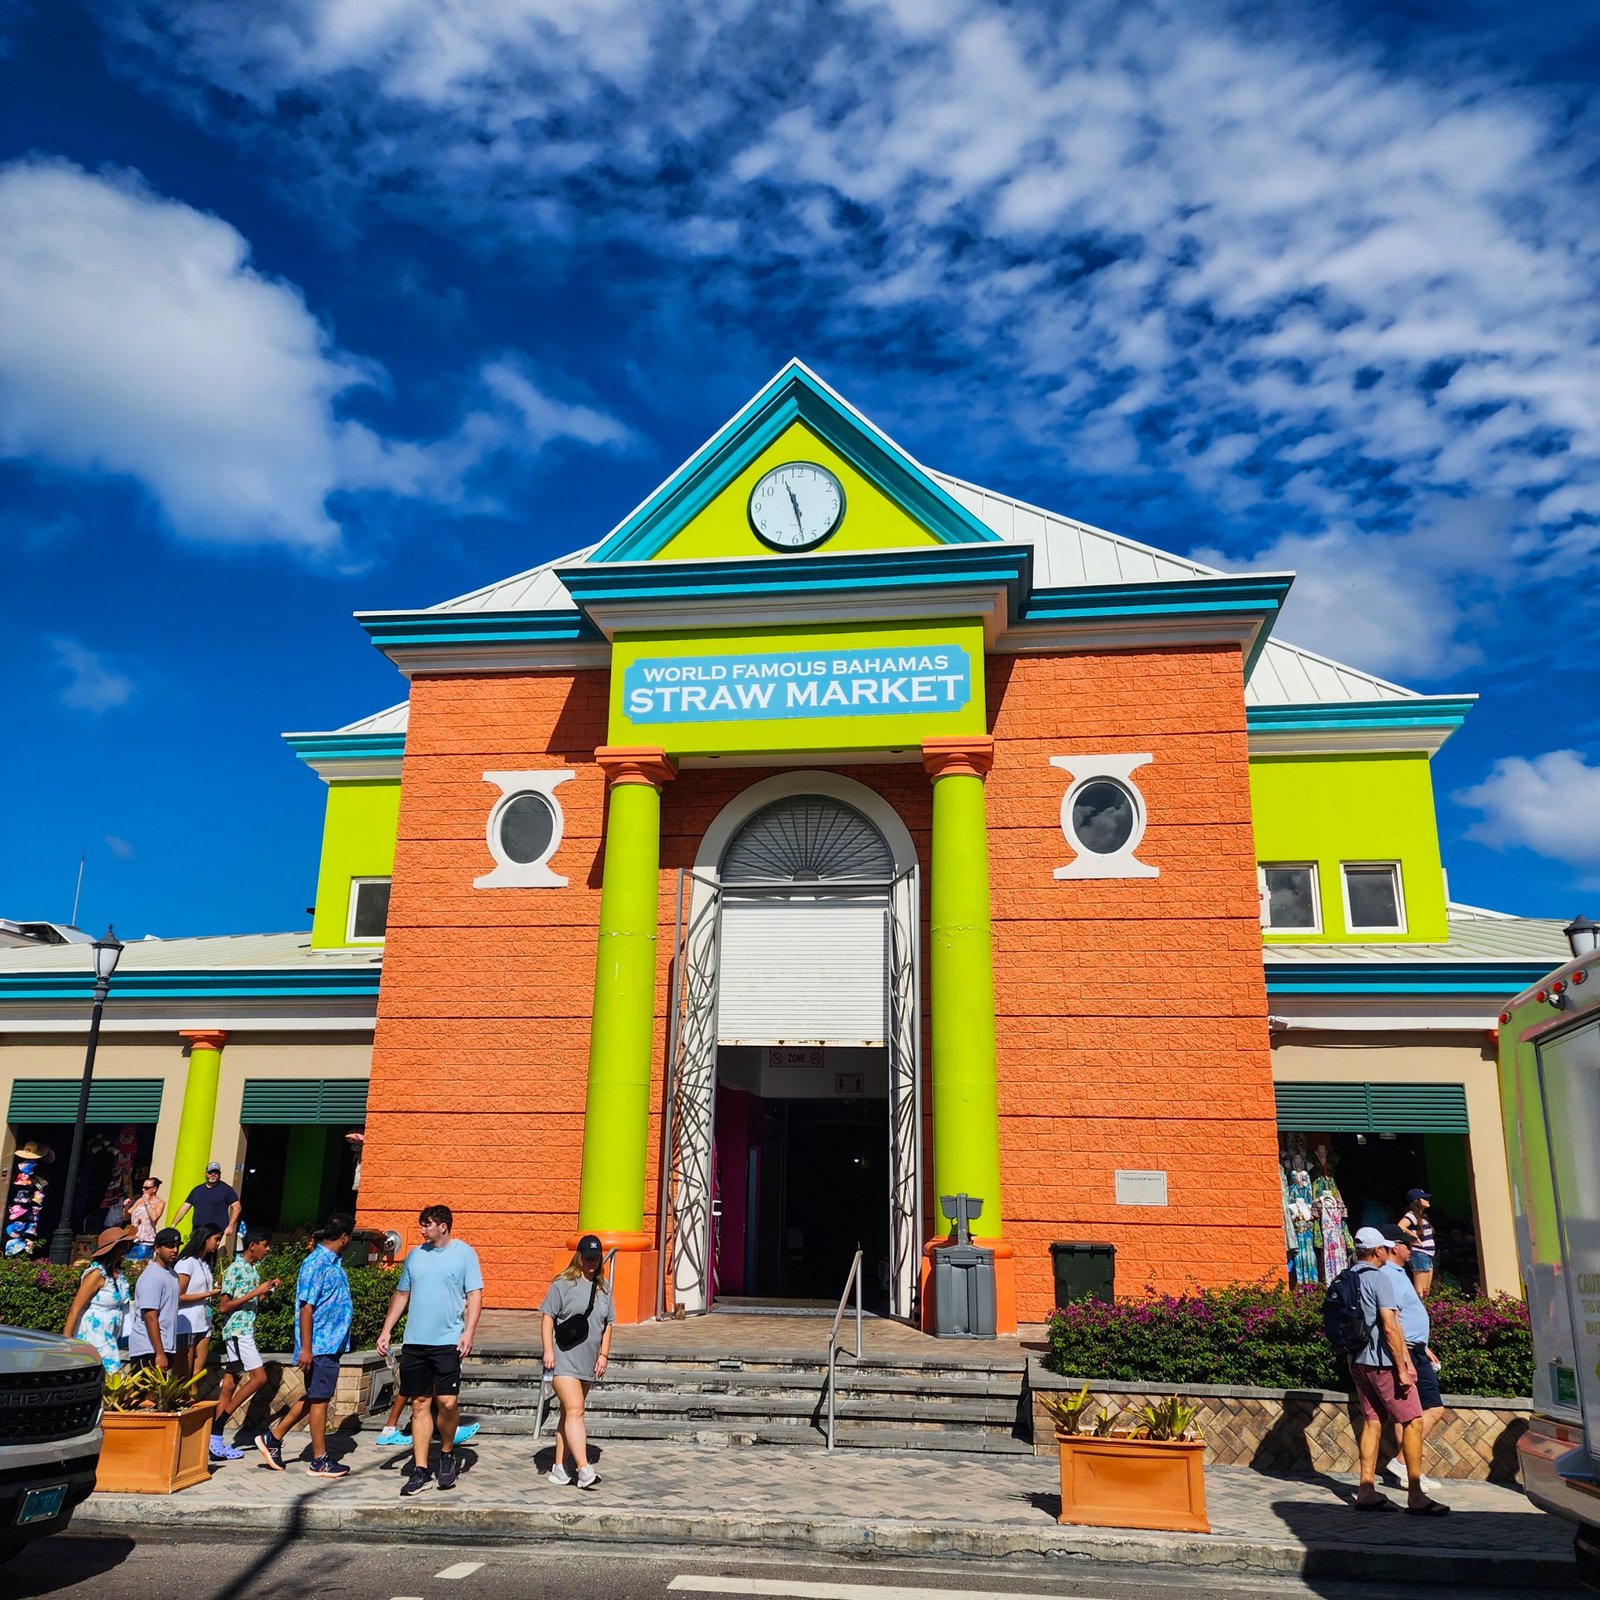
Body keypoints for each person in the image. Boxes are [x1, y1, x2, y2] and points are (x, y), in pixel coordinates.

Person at [376, 1204, 485, 1497]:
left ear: (443, 1226)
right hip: (415, 1342)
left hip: (448, 1341)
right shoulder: (415, 1256)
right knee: (419, 1404)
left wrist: (469, 1332)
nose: (422, 1230)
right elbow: (402, 1294)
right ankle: (421, 1469)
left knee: (447, 1403)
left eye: (427, 1224)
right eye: (422, 1224)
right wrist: (386, 1330)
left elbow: (475, 1295)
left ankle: (447, 1453)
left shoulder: (464, 1254)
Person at [1347, 1226, 1449, 1515]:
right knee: (1414, 1420)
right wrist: (1404, 1367)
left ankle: (1366, 1491)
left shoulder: (1348, 1276)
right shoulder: (1379, 1278)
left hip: (1357, 1360)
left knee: (1372, 1421)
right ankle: (1416, 1496)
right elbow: (1391, 1326)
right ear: (1378, 1250)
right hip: (1382, 1362)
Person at [257, 1213, 354, 1479]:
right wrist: (307, 1348)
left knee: (315, 1396)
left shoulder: (333, 1263)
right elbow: (306, 1308)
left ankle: (273, 1438)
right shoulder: (316, 1263)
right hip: (320, 1345)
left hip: (330, 1344)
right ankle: (319, 1460)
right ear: (344, 1238)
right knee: (319, 1399)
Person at [538, 1234, 613, 1490]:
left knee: (569, 1413)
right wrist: (548, 1351)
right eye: (588, 1258)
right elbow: (548, 1317)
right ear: (579, 1257)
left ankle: (560, 1467)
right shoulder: (563, 1284)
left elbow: (608, 1324)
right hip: (563, 1359)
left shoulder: (604, 1289)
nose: (592, 1263)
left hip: (587, 1361)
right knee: (576, 1410)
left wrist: (604, 1354)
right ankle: (583, 1469)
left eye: (596, 1258)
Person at [1383, 1228, 1445, 1491]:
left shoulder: (1399, 1273)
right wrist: (1407, 1356)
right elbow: (1393, 1319)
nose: (1411, 1249)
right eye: (1407, 1245)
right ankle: (1402, 1462)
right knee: (1431, 1409)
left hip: (1415, 1349)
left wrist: (1423, 1346)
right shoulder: (1389, 1275)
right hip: (1408, 1352)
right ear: (1393, 1246)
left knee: (1407, 1416)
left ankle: (1410, 1472)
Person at [210, 1233, 279, 1461]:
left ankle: (214, 1440)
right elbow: (224, 1306)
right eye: (265, 1245)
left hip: (245, 1330)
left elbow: (252, 1303)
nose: (267, 1250)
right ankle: (219, 1423)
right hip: (238, 1332)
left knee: (230, 1383)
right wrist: (255, 1292)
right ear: (252, 1245)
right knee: (259, 1378)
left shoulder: (253, 1270)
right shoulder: (235, 1270)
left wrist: (266, 1292)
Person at [64, 1227, 134, 1371]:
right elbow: (75, 1309)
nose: (124, 1250)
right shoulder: (96, 1274)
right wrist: (67, 1342)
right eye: (121, 1246)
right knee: (112, 1373)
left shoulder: (118, 1274)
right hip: (95, 1332)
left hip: (111, 1333)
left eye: (125, 1246)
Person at [125, 1227, 183, 1371]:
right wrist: (159, 1353)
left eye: (177, 1246)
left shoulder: (172, 1274)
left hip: (164, 1346)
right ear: (157, 1248)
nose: (175, 1250)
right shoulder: (151, 1277)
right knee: (145, 1387)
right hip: (148, 1349)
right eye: (170, 1246)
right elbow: (150, 1316)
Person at [174, 1224, 224, 1379]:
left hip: (204, 1323)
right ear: (205, 1238)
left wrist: (214, 1291)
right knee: (183, 1375)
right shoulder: (186, 1263)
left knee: (197, 1375)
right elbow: (178, 1296)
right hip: (186, 1324)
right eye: (216, 1239)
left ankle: (194, 1395)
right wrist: (208, 1293)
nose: (218, 1243)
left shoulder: (205, 1264)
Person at [172, 1162, 241, 1254]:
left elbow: (237, 1207)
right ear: (205, 1173)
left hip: (214, 1232)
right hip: (197, 1231)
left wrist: (231, 1226)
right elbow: (184, 1208)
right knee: (191, 1254)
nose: (213, 1174)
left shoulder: (226, 1190)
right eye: (211, 1172)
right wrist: (173, 1225)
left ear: (220, 1174)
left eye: (216, 1172)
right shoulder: (197, 1190)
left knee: (208, 1257)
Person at [1399, 1188, 1436, 1298]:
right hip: (1420, 1254)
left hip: (1427, 1255)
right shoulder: (1412, 1215)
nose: (1428, 1200)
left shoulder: (1422, 1216)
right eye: (1424, 1198)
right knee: (1421, 1291)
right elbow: (1401, 1225)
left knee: (1426, 1291)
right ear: (1417, 1201)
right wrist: (1413, 1236)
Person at [127, 1177, 164, 1262]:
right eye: (143, 1187)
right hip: (133, 1238)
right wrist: (126, 1206)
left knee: (139, 1265)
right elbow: (127, 1215)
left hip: (145, 1241)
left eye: (146, 1188)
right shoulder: (140, 1200)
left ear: (154, 1189)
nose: (143, 1189)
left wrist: (147, 1203)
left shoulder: (160, 1203)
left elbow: (154, 1217)